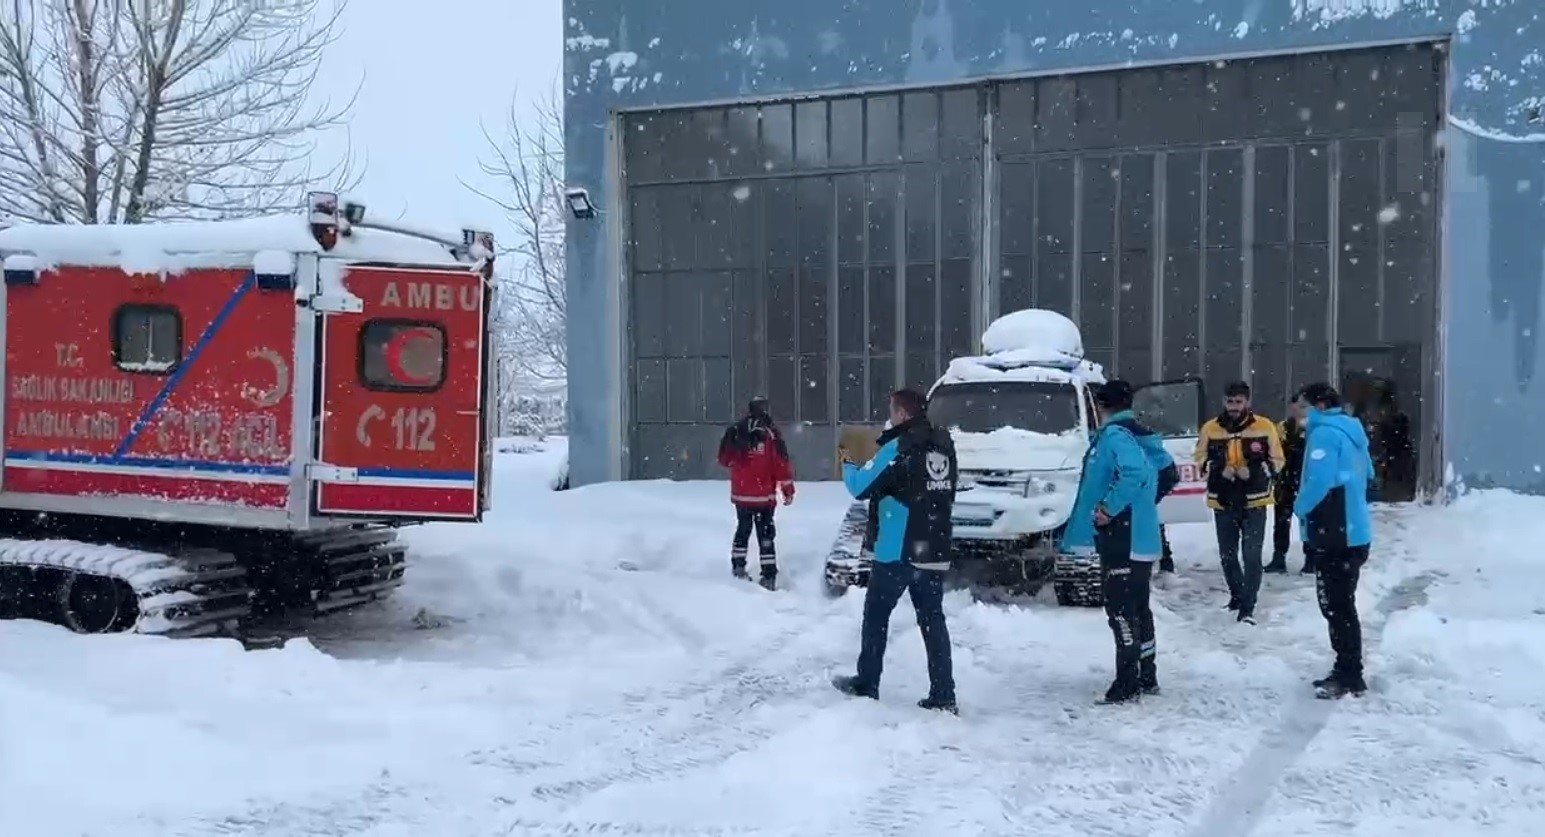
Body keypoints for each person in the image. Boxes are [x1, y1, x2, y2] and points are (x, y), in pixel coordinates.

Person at [831, 389, 959, 714]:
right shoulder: (943, 444)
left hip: (899, 547)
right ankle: (943, 693)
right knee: (933, 621)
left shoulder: (898, 447)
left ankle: (867, 681)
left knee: (876, 615)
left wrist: (847, 462)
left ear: (902, 413)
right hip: (935, 544)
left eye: (892, 410)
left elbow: (860, 486)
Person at [1061, 380, 1164, 705]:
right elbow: (1164, 473)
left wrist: (1110, 507)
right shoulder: (1136, 434)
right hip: (1138, 535)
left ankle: (1127, 681)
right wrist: (1144, 506)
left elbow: (1133, 473)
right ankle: (1146, 675)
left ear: (1100, 406)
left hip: (1124, 537)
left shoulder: (1116, 437)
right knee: (1138, 608)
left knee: (1121, 610)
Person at [1293, 383, 1374, 699]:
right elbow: (1367, 473)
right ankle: (1347, 668)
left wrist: (1300, 507)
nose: (1300, 412)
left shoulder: (1324, 434)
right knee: (1342, 604)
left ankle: (1349, 673)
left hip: (1336, 532)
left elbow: (1320, 480)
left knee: (1336, 606)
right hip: (1354, 530)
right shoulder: (1353, 432)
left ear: (1320, 405)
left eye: (1304, 405)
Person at [1193, 381, 1285, 625]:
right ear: (1223, 402)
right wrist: (1218, 469)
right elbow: (1199, 459)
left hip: (1255, 499)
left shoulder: (1265, 426)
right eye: (1230, 401)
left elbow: (1278, 460)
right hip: (1222, 499)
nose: (1234, 406)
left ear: (1247, 402)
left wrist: (1252, 472)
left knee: (1252, 555)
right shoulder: (1210, 429)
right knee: (1228, 555)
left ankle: (1248, 606)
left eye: (1238, 401)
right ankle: (1236, 595)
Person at [715, 397, 795, 590]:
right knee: (765, 535)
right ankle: (768, 575)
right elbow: (780, 464)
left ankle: (738, 567)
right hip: (763, 496)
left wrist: (741, 462)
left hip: (741, 495)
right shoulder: (771, 434)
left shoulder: (736, 431)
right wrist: (787, 489)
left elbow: (724, 459)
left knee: (743, 530)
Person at [1265, 392, 1311, 574]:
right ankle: (1278, 556)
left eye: (1304, 406)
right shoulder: (1282, 428)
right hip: (1285, 480)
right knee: (1281, 520)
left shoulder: (1314, 429)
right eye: (1297, 406)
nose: (1299, 410)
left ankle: (1311, 558)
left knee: (1308, 521)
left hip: (1305, 481)